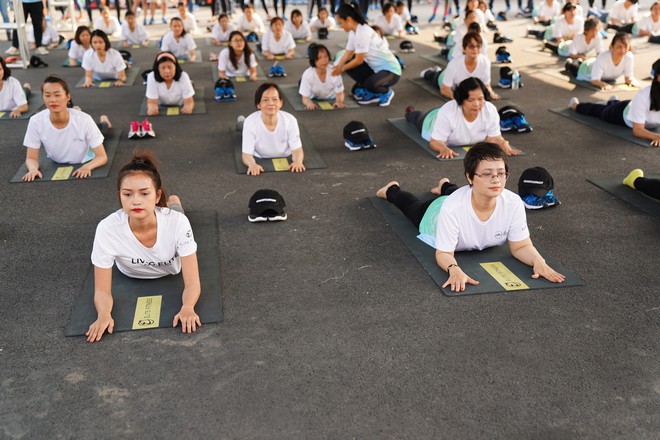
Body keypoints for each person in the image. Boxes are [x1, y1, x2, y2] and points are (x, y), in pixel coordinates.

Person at [375, 142, 565, 293]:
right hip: (436, 214)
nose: (496, 180)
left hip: (467, 195)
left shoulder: (513, 203)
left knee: (463, 192)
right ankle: (392, 189)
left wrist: (539, 262)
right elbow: (443, 253)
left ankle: (444, 185)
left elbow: (522, 246)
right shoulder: (452, 207)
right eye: (488, 174)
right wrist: (454, 269)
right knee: (413, 207)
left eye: (501, 173)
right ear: (470, 177)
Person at [87, 151, 201, 342]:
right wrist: (103, 314)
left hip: (170, 265)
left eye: (144, 193)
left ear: (157, 196)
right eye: (128, 194)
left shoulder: (177, 223)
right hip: (130, 274)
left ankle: (173, 202)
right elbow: (101, 290)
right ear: (120, 196)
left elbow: (192, 282)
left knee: (177, 213)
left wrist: (188, 307)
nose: (136, 201)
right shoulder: (107, 228)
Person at [22, 76, 110, 182]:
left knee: (103, 130)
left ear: (68, 96)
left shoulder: (85, 119)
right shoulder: (35, 121)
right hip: (57, 158)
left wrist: (87, 167)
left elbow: (101, 156)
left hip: (86, 155)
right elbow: (31, 158)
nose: (52, 100)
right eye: (47, 95)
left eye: (57, 95)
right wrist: (32, 169)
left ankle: (105, 121)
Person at [404, 77, 519, 159]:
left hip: (446, 117)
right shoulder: (448, 112)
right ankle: (410, 112)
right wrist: (443, 148)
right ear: (461, 101)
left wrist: (502, 142)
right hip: (431, 120)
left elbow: (493, 137)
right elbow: (435, 141)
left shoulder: (490, 110)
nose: (477, 104)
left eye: (480, 99)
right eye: (470, 100)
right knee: (417, 117)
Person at [568, 58, 660, 147]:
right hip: (621, 114)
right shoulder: (643, 95)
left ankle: (612, 102)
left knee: (613, 105)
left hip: (632, 107)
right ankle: (575, 105)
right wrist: (655, 136)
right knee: (600, 111)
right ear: (657, 77)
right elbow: (638, 130)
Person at [332, 3, 401, 106]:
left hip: (391, 71)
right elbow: (348, 54)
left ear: (349, 20)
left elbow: (359, 60)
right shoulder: (353, 32)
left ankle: (386, 92)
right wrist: (336, 67)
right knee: (349, 65)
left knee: (370, 84)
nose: (340, 26)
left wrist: (341, 69)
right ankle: (373, 91)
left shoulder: (363, 32)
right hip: (376, 69)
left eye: (340, 23)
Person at [241, 83, 305, 176]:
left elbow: (297, 149)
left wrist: (298, 162)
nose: (271, 103)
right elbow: (246, 154)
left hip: (285, 154)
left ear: (280, 103)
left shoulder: (290, 120)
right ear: (258, 104)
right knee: (241, 127)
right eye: (265, 100)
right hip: (259, 155)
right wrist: (252, 164)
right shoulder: (250, 122)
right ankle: (240, 122)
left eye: (275, 99)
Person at [436, 32, 500, 100]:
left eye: (478, 46)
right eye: (471, 47)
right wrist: (458, 100)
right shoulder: (454, 64)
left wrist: (491, 93)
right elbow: (444, 90)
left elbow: (487, 85)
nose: (475, 49)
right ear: (464, 49)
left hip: (465, 90)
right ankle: (431, 72)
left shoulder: (485, 62)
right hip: (443, 78)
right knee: (432, 76)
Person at [568, 31, 636, 90]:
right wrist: (604, 85)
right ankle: (569, 63)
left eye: (625, 47)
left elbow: (628, 77)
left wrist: (631, 81)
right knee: (573, 67)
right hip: (586, 70)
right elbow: (595, 80)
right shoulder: (603, 58)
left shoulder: (629, 57)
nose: (623, 50)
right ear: (611, 47)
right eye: (619, 47)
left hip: (595, 64)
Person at [299, 44, 345, 109]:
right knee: (301, 84)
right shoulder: (307, 75)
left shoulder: (334, 71)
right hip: (314, 96)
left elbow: (340, 92)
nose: (324, 60)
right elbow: (305, 97)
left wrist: (339, 102)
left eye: (326, 56)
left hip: (331, 96)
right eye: (319, 58)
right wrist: (309, 103)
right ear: (313, 60)